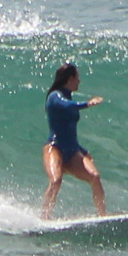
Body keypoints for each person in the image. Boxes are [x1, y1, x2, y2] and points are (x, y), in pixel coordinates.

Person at [41, 62, 106, 219]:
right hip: (54, 148)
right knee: (56, 181)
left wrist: (83, 151)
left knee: (95, 177)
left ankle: (103, 216)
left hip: (72, 150)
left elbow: (70, 133)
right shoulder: (54, 97)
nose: (79, 81)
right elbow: (67, 106)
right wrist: (86, 104)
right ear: (70, 79)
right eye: (77, 77)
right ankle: (44, 218)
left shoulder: (68, 97)